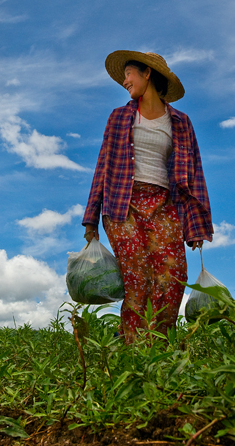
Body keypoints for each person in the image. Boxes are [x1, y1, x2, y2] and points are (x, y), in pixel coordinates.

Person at [82, 50, 213, 343]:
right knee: (137, 274)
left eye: (129, 73)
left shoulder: (180, 122)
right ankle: (132, 344)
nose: (125, 81)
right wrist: (91, 218)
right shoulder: (118, 118)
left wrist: (196, 225)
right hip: (122, 204)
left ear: (148, 74)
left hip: (164, 205)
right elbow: (102, 166)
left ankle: (157, 344)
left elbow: (194, 174)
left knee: (172, 275)